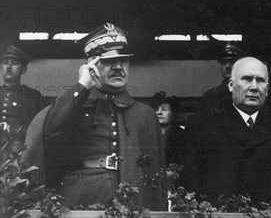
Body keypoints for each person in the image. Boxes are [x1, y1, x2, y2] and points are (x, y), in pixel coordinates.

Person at [24, 23, 165, 209]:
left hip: (132, 201)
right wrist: (82, 85)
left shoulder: (144, 114)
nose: (118, 67)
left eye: (123, 61)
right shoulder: (74, 106)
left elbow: (156, 170)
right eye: (108, 61)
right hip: (83, 198)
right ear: (91, 65)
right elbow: (51, 131)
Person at [183, 57, 271, 211]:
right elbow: (189, 184)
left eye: (260, 81)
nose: (254, 87)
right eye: (247, 79)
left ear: (267, 89)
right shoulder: (201, 127)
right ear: (230, 85)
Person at [0, 44, 46, 147]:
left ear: (23, 70)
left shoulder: (32, 96)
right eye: (5, 63)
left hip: (20, 151)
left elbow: (40, 128)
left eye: (14, 63)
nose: (8, 67)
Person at [196, 42, 243, 116]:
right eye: (224, 62)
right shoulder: (209, 97)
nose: (227, 66)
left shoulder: (247, 93)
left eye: (232, 62)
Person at [151, 91, 187, 166]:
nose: (159, 112)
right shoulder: (145, 134)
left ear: (173, 113)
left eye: (164, 109)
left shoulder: (183, 135)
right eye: (156, 109)